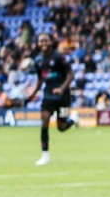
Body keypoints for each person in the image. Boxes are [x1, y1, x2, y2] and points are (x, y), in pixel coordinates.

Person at [26, 33, 76, 165]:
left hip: (63, 97)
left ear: (50, 42)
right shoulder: (38, 61)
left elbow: (71, 75)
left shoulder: (59, 57)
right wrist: (33, 93)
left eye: (45, 41)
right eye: (40, 41)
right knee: (45, 122)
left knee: (62, 126)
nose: (43, 43)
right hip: (48, 95)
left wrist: (61, 88)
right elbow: (40, 79)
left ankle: (72, 121)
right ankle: (45, 155)